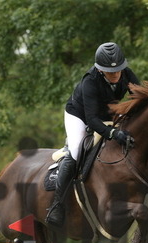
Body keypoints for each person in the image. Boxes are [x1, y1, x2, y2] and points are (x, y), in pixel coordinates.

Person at [46, 42, 141, 227]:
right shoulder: (90, 81)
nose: (115, 75)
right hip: (80, 115)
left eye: (118, 71)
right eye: (109, 72)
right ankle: (56, 205)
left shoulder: (127, 74)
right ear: (100, 70)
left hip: (109, 113)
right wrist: (113, 133)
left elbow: (139, 99)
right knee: (75, 151)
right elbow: (92, 119)